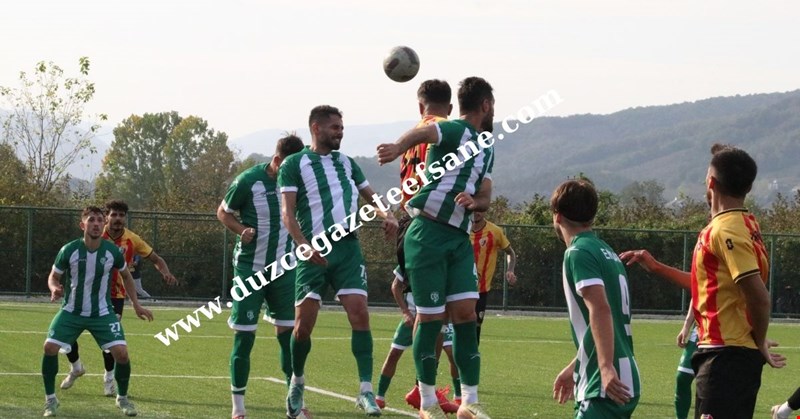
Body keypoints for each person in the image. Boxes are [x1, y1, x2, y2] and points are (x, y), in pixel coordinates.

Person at [619, 143, 786, 418]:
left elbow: (759, 297)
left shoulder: (725, 231)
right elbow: (709, 287)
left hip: (726, 358)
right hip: (724, 354)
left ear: (711, 183)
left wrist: (760, 340)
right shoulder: (745, 224)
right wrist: (657, 267)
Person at [377, 76, 496, 419]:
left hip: (459, 240)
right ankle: (427, 402)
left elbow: (486, 193)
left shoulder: (487, 145)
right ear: (486, 105)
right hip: (426, 233)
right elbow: (424, 133)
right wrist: (398, 147)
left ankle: (468, 402)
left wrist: (475, 201)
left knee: (465, 317)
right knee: (429, 320)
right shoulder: (454, 129)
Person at [279, 105, 398, 418]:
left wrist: (387, 214)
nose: (340, 132)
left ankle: (365, 391)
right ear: (316, 128)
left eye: (342, 128)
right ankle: (297, 380)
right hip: (312, 251)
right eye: (335, 127)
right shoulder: (294, 163)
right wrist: (302, 246)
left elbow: (371, 195)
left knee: (360, 315)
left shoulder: (347, 163)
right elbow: (287, 214)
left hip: (347, 249)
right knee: (303, 328)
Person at [374, 79, 458, 413]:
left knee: (433, 312)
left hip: (411, 223)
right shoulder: (447, 130)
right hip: (435, 225)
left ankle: (423, 390)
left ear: (419, 105)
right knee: (438, 313)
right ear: (449, 108)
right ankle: (425, 393)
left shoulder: (409, 138)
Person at [217, 134, 305, 419]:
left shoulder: (298, 181)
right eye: (288, 165)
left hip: (285, 270)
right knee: (244, 337)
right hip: (250, 269)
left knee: (288, 337)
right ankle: (238, 409)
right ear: (277, 159)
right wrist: (241, 229)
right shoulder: (249, 181)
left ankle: (294, 405)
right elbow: (223, 212)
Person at [42, 206, 154, 417]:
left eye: (99, 220)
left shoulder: (112, 252)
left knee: (121, 354)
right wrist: (54, 287)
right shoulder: (70, 250)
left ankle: (122, 399)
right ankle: (50, 401)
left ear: (103, 225)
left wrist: (136, 305)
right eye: (91, 220)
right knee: (49, 347)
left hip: (102, 313)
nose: (95, 223)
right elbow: (53, 276)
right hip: (71, 312)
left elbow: (127, 277)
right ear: (82, 224)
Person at [60, 200, 177, 395]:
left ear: (125, 218)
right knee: (66, 335)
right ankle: (77, 367)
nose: (117, 219)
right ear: (107, 217)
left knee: (111, 343)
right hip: (84, 294)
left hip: (114, 296)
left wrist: (165, 272)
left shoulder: (133, 240)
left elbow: (155, 258)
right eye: (114, 215)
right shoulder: (95, 233)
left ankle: (108, 379)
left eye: (121, 215)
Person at [550, 179, 640, 418]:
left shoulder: (578, 252)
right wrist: (574, 367)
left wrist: (605, 367)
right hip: (620, 374)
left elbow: (600, 310)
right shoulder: (607, 251)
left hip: (604, 384)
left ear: (557, 216)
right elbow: (600, 323)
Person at [470, 210, 517, 345]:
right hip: (461, 288)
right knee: (458, 326)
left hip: (482, 290)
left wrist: (510, 270)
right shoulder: (461, 230)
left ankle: (472, 358)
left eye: (479, 209)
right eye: (473, 209)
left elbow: (510, 253)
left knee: (476, 327)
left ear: (484, 210)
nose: (476, 213)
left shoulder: (494, 231)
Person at [674, 303, 697, 419]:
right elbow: (696, 294)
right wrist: (686, 325)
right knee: (682, 377)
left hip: (726, 330)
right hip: (700, 329)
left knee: (712, 385)